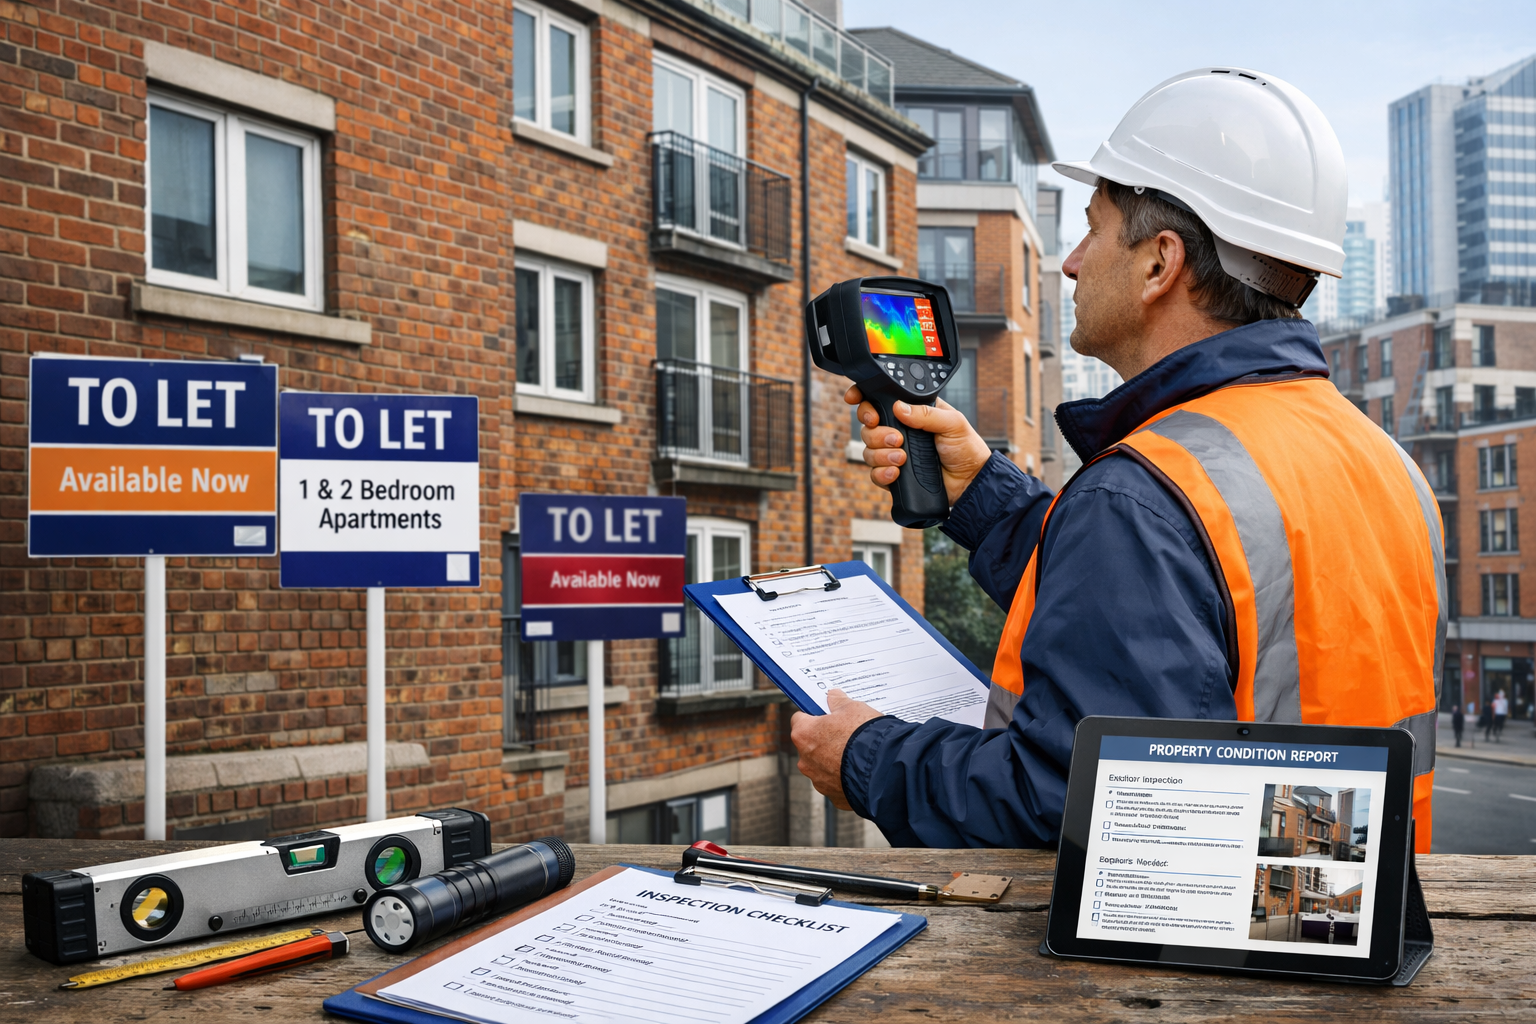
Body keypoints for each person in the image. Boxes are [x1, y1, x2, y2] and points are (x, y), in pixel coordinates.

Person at [790, 67, 1445, 854]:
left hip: (1202, 957)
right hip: (1333, 911)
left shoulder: (1144, 496)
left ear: (1159, 264)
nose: (1069, 262)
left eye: (1093, 227)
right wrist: (981, 493)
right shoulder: (1381, 460)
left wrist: (865, 758)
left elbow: (1073, 802)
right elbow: (1198, 619)